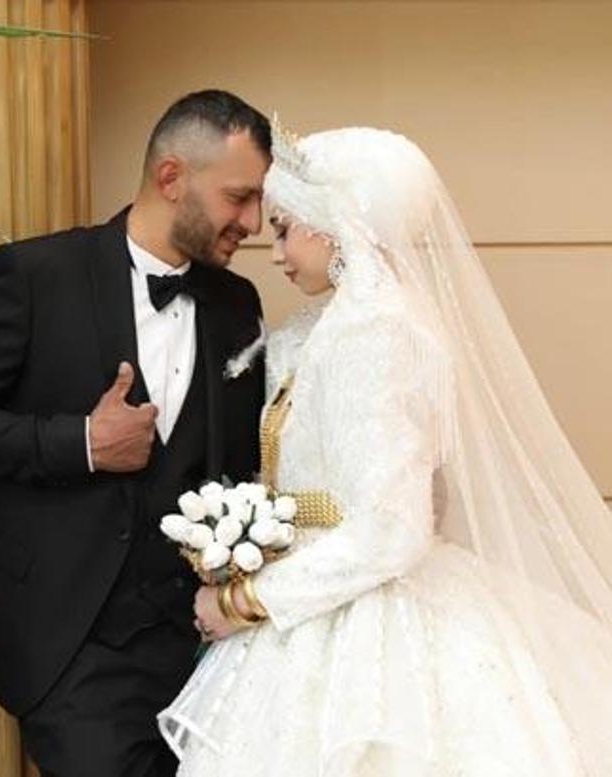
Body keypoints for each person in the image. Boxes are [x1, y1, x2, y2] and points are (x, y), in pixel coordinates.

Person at [158, 123, 612, 776]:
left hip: (363, 612)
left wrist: (247, 600)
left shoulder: (376, 332)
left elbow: (392, 530)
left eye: (284, 227)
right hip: (317, 599)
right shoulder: (325, 328)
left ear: (334, 224)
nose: (274, 250)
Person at [0, 89, 270, 777]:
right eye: (238, 197)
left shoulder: (237, 304)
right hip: (75, 643)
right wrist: (81, 444)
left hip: (205, 649)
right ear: (170, 177)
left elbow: (243, 460)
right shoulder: (35, 274)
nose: (252, 222)